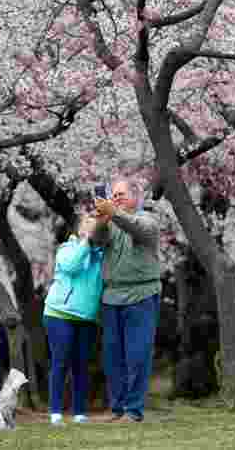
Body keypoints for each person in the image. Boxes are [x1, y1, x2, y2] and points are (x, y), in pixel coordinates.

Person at [94, 178, 160, 423]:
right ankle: (117, 408)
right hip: (112, 297)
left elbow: (136, 228)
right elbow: (96, 241)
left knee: (137, 355)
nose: (117, 197)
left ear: (136, 196)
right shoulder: (111, 222)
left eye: (121, 194)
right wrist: (101, 221)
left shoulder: (148, 220)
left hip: (141, 296)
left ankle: (133, 410)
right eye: (114, 194)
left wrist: (115, 213)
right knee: (112, 357)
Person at [43, 215, 104, 425]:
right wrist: (85, 243)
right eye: (88, 227)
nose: (92, 231)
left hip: (87, 318)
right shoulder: (67, 250)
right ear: (79, 231)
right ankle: (56, 411)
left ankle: (79, 412)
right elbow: (71, 266)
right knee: (61, 362)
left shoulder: (101, 256)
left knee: (81, 365)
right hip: (59, 313)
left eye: (95, 228)